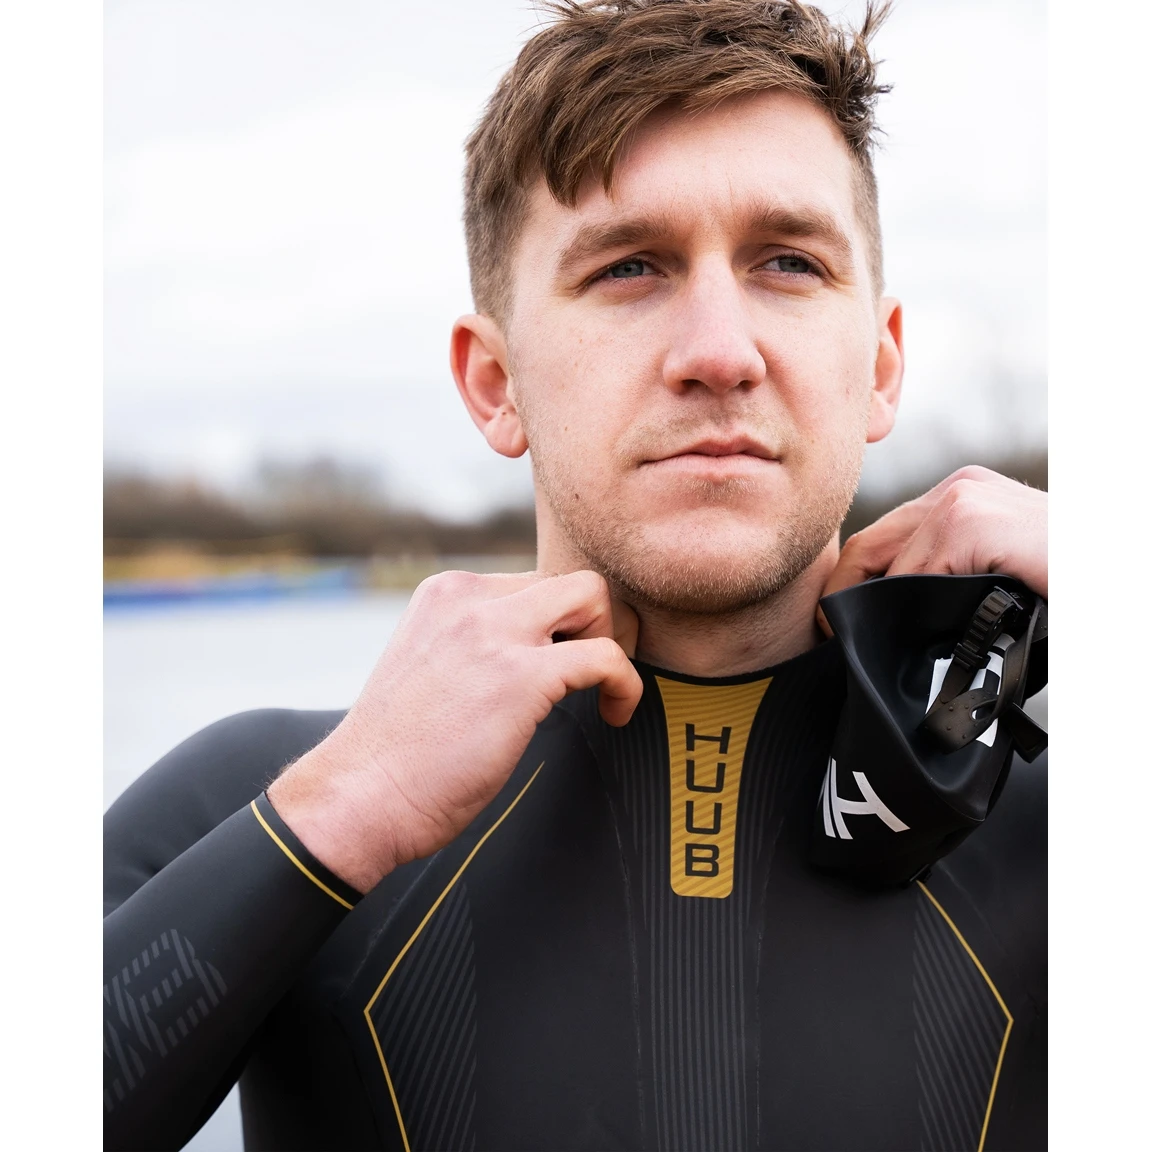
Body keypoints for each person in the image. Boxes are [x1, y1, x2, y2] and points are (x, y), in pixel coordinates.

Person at [103, 2, 1048, 1149]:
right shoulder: (264, 799)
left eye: (789, 263)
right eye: (630, 267)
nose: (718, 352)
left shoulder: (1060, 828)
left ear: (882, 366)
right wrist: (342, 813)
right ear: (494, 383)